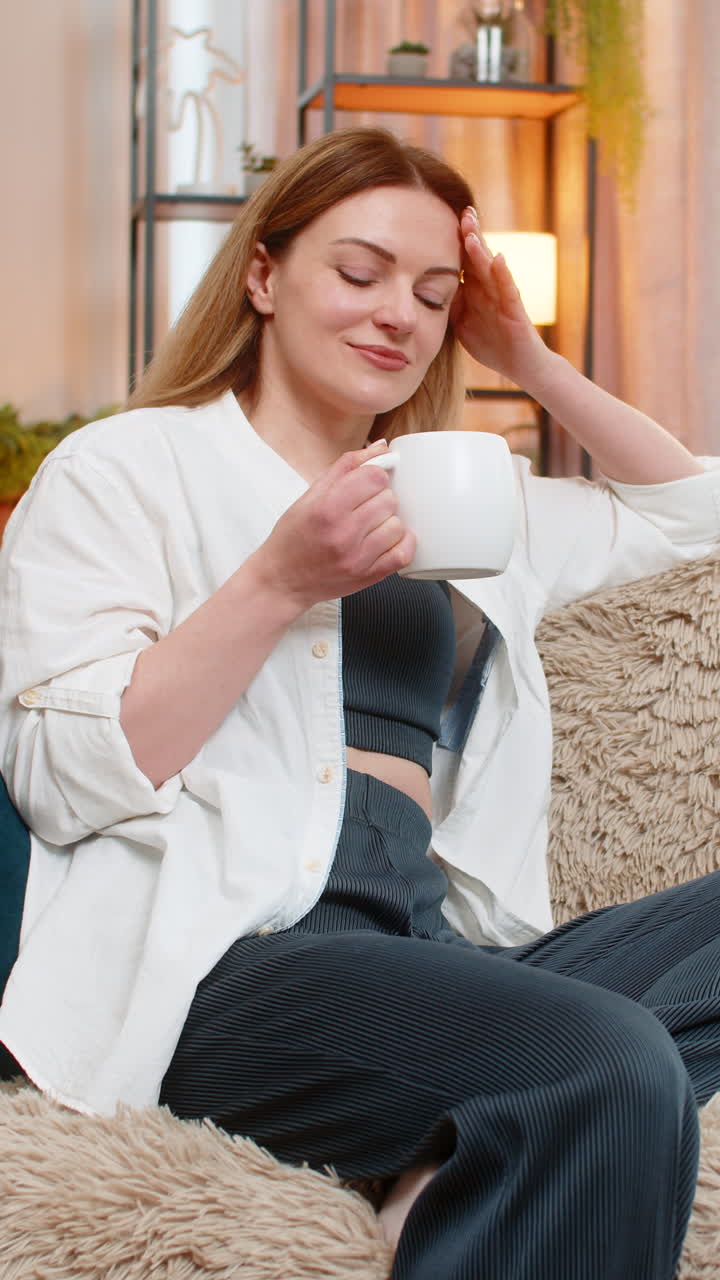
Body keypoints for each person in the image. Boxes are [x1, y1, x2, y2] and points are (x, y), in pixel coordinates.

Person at [0, 125, 719, 1280]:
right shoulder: (124, 468)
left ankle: (459, 1141)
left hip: (432, 962)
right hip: (225, 966)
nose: (400, 313)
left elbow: (696, 519)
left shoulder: (460, 498)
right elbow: (73, 771)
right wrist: (280, 577)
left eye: (435, 295)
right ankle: (496, 1126)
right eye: (360, 271)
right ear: (264, 273)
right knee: (608, 1060)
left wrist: (524, 355)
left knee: (610, 1032)